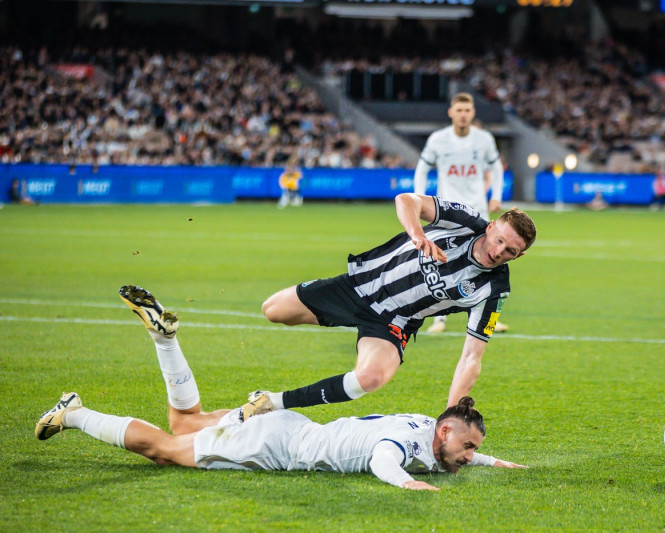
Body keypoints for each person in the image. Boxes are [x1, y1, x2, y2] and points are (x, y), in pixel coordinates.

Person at [34, 286, 526, 491]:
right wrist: (410, 485)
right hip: (271, 445)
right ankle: (73, 413)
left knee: (184, 422)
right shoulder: (403, 446)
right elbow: (383, 460)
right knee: (163, 449)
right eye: (466, 448)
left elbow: (458, 445)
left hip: (289, 426)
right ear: (442, 435)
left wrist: (495, 460)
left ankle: (165, 340)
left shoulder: (429, 424)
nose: (467, 457)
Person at [258, 193, 536, 413]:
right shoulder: (465, 220)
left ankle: (272, 402)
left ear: (519, 256)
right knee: (273, 310)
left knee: (370, 378)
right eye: (499, 240)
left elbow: (472, 357)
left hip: (392, 322)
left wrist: (450, 414)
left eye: (510, 251)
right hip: (358, 284)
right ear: (490, 227)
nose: (499, 252)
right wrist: (418, 234)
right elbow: (406, 200)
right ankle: (332, 310)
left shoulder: (495, 289)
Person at [413, 92, 508, 334]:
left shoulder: (484, 139)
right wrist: (418, 200)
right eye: (459, 110)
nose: (463, 115)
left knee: (490, 262)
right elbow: (422, 169)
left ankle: (488, 318)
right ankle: (438, 319)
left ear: (473, 113)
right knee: (440, 261)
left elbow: (496, 167)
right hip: (449, 210)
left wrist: (496, 195)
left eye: (467, 110)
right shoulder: (438, 139)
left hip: (478, 208)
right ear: (451, 113)